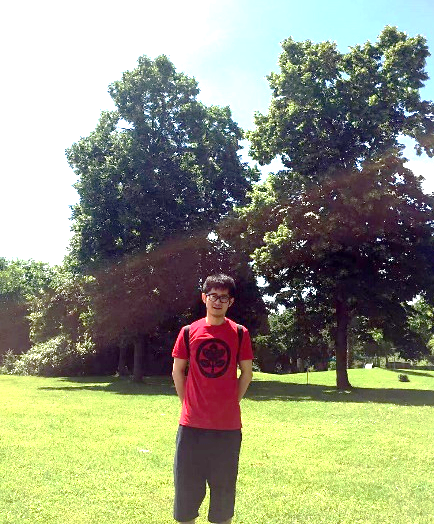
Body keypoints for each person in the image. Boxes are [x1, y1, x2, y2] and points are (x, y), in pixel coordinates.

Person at [171, 274, 254, 524]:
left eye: (224, 297)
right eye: (213, 296)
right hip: (192, 427)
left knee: (223, 498)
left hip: (227, 429)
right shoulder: (188, 332)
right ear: (204, 298)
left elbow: (247, 373)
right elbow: (177, 370)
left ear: (231, 302)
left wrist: (232, 401)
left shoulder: (240, 333)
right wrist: (187, 403)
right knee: (186, 496)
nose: (218, 302)